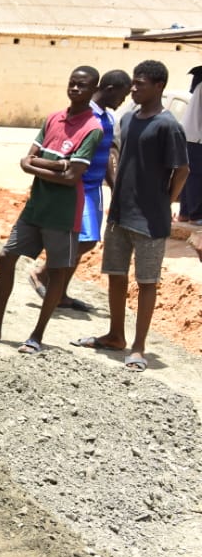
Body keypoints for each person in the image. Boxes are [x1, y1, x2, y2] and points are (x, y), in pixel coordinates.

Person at [0, 66, 105, 354]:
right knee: (6, 255)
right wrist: (59, 164)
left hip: (63, 213)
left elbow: (72, 177)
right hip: (36, 206)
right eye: (72, 83)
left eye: (83, 86)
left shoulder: (93, 128)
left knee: (57, 271)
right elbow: (26, 161)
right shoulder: (53, 119)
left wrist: (45, 166)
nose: (75, 89)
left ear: (92, 91)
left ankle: (36, 336)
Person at [72, 60, 189, 371]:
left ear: (159, 86)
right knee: (116, 276)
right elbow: (119, 155)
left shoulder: (168, 126)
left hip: (151, 221)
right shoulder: (127, 118)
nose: (133, 88)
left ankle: (138, 347)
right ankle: (115, 335)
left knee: (147, 282)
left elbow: (182, 169)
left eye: (140, 84)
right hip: (121, 214)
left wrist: (167, 201)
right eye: (133, 83)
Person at [28, 69, 131, 310]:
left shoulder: (107, 118)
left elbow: (105, 155)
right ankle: (42, 273)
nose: (123, 101)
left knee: (86, 241)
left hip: (94, 188)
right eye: (122, 95)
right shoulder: (87, 116)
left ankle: (61, 292)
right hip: (79, 186)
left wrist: (114, 186)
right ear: (110, 89)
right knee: (82, 241)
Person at [179, 66, 202, 223]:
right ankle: (196, 215)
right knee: (196, 176)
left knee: (190, 176)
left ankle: (185, 213)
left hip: (191, 136)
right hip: (197, 137)